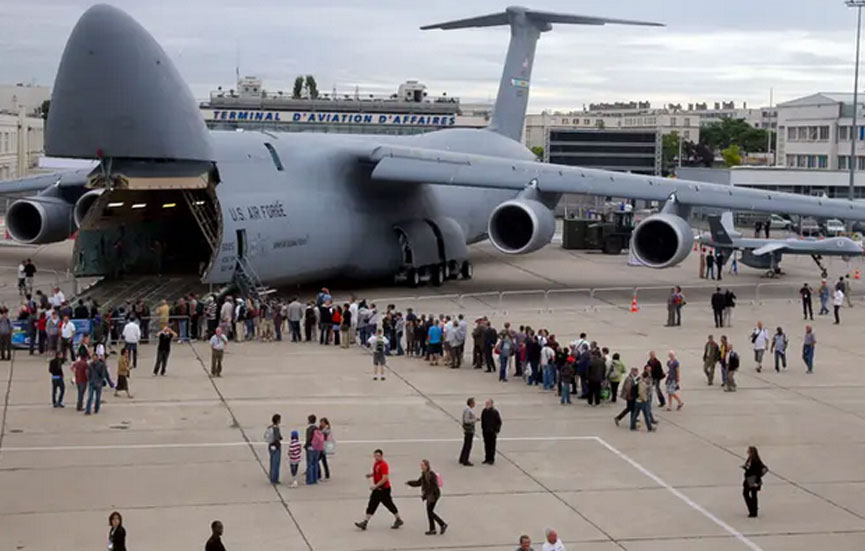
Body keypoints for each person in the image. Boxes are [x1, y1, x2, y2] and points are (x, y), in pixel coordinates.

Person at [355, 449, 403, 531]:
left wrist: (375, 486)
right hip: (377, 490)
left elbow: (385, 478)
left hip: (384, 489)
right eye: (375, 456)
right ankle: (365, 522)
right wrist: (371, 475)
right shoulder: (376, 464)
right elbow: (377, 472)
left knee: (389, 504)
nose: (376, 457)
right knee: (371, 505)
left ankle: (398, 519)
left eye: (378, 456)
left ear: (381, 456)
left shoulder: (384, 465)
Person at [406, 459, 448, 535]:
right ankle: (433, 529)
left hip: (433, 495)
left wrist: (429, 495)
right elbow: (418, 482)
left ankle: (442, 524)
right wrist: (410, 483)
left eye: (423, 465)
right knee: (429, 512)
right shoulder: (424, 474)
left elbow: (434, 486)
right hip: (429, 496)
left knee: (430, 512)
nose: (421, 467)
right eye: (421, 465)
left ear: (427, 466)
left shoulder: (431, 475)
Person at [742, 446, 768, 518]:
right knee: (751, 494)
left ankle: (753, 509)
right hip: (750, 478)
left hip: (753, 479)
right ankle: (753, 508)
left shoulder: (755, 461)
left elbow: (757, 471)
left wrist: (756, 480)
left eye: (748, 451)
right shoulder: (750, 459)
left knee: (749, 494)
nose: (747, 452)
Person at [481, 398, 502, 465]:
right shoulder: (484, 411)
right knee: (486, 445)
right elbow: (482, 420)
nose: (486, 405)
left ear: (491, 404)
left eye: (488, 403)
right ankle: (487, 458)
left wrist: (496, 430)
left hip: (492, 432)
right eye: (486, 403)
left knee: (492, 446)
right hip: (486, 431)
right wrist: (483, 429)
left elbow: (499, 422)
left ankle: (491, 459)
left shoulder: (494, 412)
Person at [459, 397, 478, 466]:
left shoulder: (468, 409)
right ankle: (465, 460)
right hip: (469, 430)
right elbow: (467, 420)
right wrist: (475, 420)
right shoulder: (468, 410)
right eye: (474, 403)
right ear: (471, 403)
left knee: (466, 444)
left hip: (468, 429)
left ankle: (462, 458)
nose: (475, 404)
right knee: (468, 445)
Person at [265, 414, 282, 484]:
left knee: (272, 462)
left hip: (270, 446)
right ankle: (275, 479)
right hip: (276, 446)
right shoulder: (276, 428)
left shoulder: (270, 427)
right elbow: (277, 438)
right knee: (276, 463)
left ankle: (272, 477)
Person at [304, 414, 321, 485]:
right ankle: (315, 479)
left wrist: (306, 446)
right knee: (315, 463)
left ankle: (310, 480)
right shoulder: (317, 429)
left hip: (310, 448)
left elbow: (308, 439)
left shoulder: (309, 429)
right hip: (317, 447)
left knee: (310, 464)